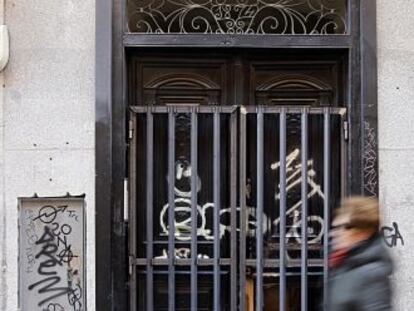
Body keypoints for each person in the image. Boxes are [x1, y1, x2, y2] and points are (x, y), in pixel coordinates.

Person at [328, 196, 393, 310]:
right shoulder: (343, 265)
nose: (334, 233)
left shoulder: (372, 273)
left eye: (343, 227)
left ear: (363, 232)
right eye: (334, 227)